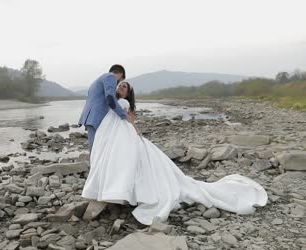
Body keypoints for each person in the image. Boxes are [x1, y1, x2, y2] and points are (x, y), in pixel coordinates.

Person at [81, 81, 268, 225]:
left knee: (126, 161)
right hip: (119, 135)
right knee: (126, 161)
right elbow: (129, 119)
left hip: (123, 135)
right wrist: (136, 130)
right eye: (120, 85)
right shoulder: (115, 101)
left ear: (128, 93)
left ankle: (119, 191)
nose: (121, 88)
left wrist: (136, 132)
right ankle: (121, 192)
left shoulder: (120, 102)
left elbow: (128, 119)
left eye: (125, 87)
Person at [78, 64, 129, 150]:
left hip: (90, 117)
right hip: (95, 117)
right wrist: (124, 115)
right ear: (120, 74)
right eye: (120, 80)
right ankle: (94, 163)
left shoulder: (96, 82)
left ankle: (94, 163)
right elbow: (110, 99)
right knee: (96, 149)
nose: (118, 83)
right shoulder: (110, 77)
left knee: (95, 147)